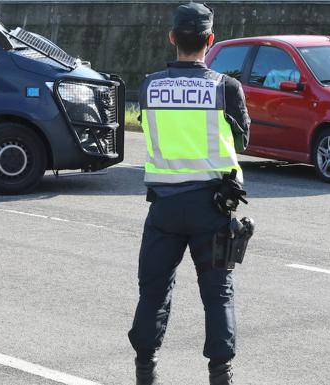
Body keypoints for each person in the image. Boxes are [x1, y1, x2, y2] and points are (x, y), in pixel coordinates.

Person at [128, 3, 250, 385]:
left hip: (164, 207)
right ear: (210, 41)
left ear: (171, 38)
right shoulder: (226, 88)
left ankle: (145, 371)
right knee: (217, 295)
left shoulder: (150, 85)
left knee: (152, 292)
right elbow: (243, 140)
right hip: (212, 208)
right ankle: (220, 376)